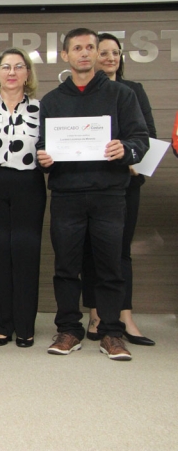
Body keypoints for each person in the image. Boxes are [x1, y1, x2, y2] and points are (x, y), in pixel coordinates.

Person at [37, 28, 149, 361]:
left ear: (98, 53)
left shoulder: (121, 95)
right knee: (65, 267)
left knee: (110, 267)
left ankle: (111, 333)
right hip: (67, 195)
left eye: (90, 47)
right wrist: (44, 157)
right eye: (77, 48)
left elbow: (140, 140)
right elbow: (43, 144)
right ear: (65, 55)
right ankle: (69, 329)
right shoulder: (52, 100)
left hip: (109, 195)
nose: (84, 53)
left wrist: (125, 148)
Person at [81, 33, 158, 346]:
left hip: (126, 182)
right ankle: (95, 313)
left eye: (115, 52)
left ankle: (125, 314)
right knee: (90, 249)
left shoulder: (133, 90)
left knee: (120, 250)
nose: (110, 58)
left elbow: (147, 135)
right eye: (104, 52)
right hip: (91, 182)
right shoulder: (83, 92)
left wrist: (130, 158)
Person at [0, 48, 45, 348]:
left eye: (19, 66)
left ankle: (25, 325)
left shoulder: (42, 109)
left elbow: (51, 147)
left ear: (28, 73)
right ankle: (1, 325)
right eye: (6, 67)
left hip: (28, 184)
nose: (12, 72)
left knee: (26, 253)